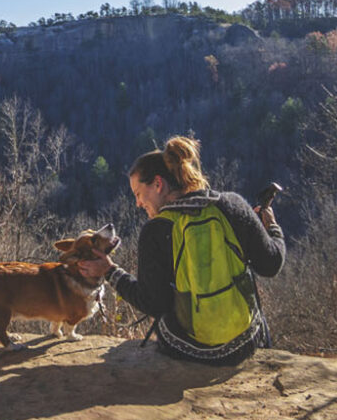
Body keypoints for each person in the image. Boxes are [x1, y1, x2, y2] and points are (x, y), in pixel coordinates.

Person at [79, 135, 283, 364]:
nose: (137, 203)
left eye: (138, 193)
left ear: (158, 184)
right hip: (244, 344)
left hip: (193, 350)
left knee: (166, 318)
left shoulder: (156, 230)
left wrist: (110, 272)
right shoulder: (231, 205)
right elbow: (271, 264)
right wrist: (272, 228)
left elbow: (153, 303)